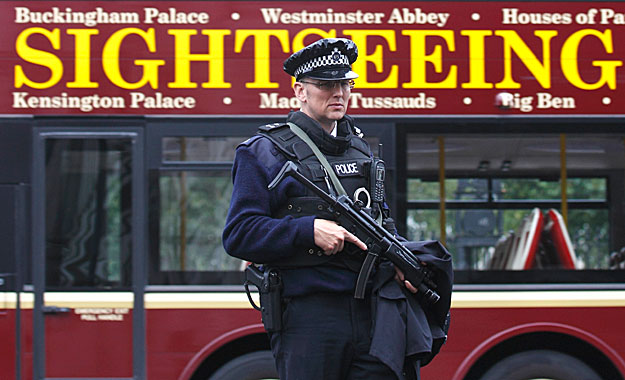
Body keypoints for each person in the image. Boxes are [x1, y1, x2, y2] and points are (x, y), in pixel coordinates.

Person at [223, 38, 451, 380]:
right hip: (309, 319)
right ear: (300, 91)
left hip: (374, 311)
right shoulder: (263, 152)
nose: (339, 92)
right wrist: (308, 230)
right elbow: (239, 234)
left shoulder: (360, 150)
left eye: (345, 83)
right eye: (327, 84)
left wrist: (402, 261)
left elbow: (381, 222)